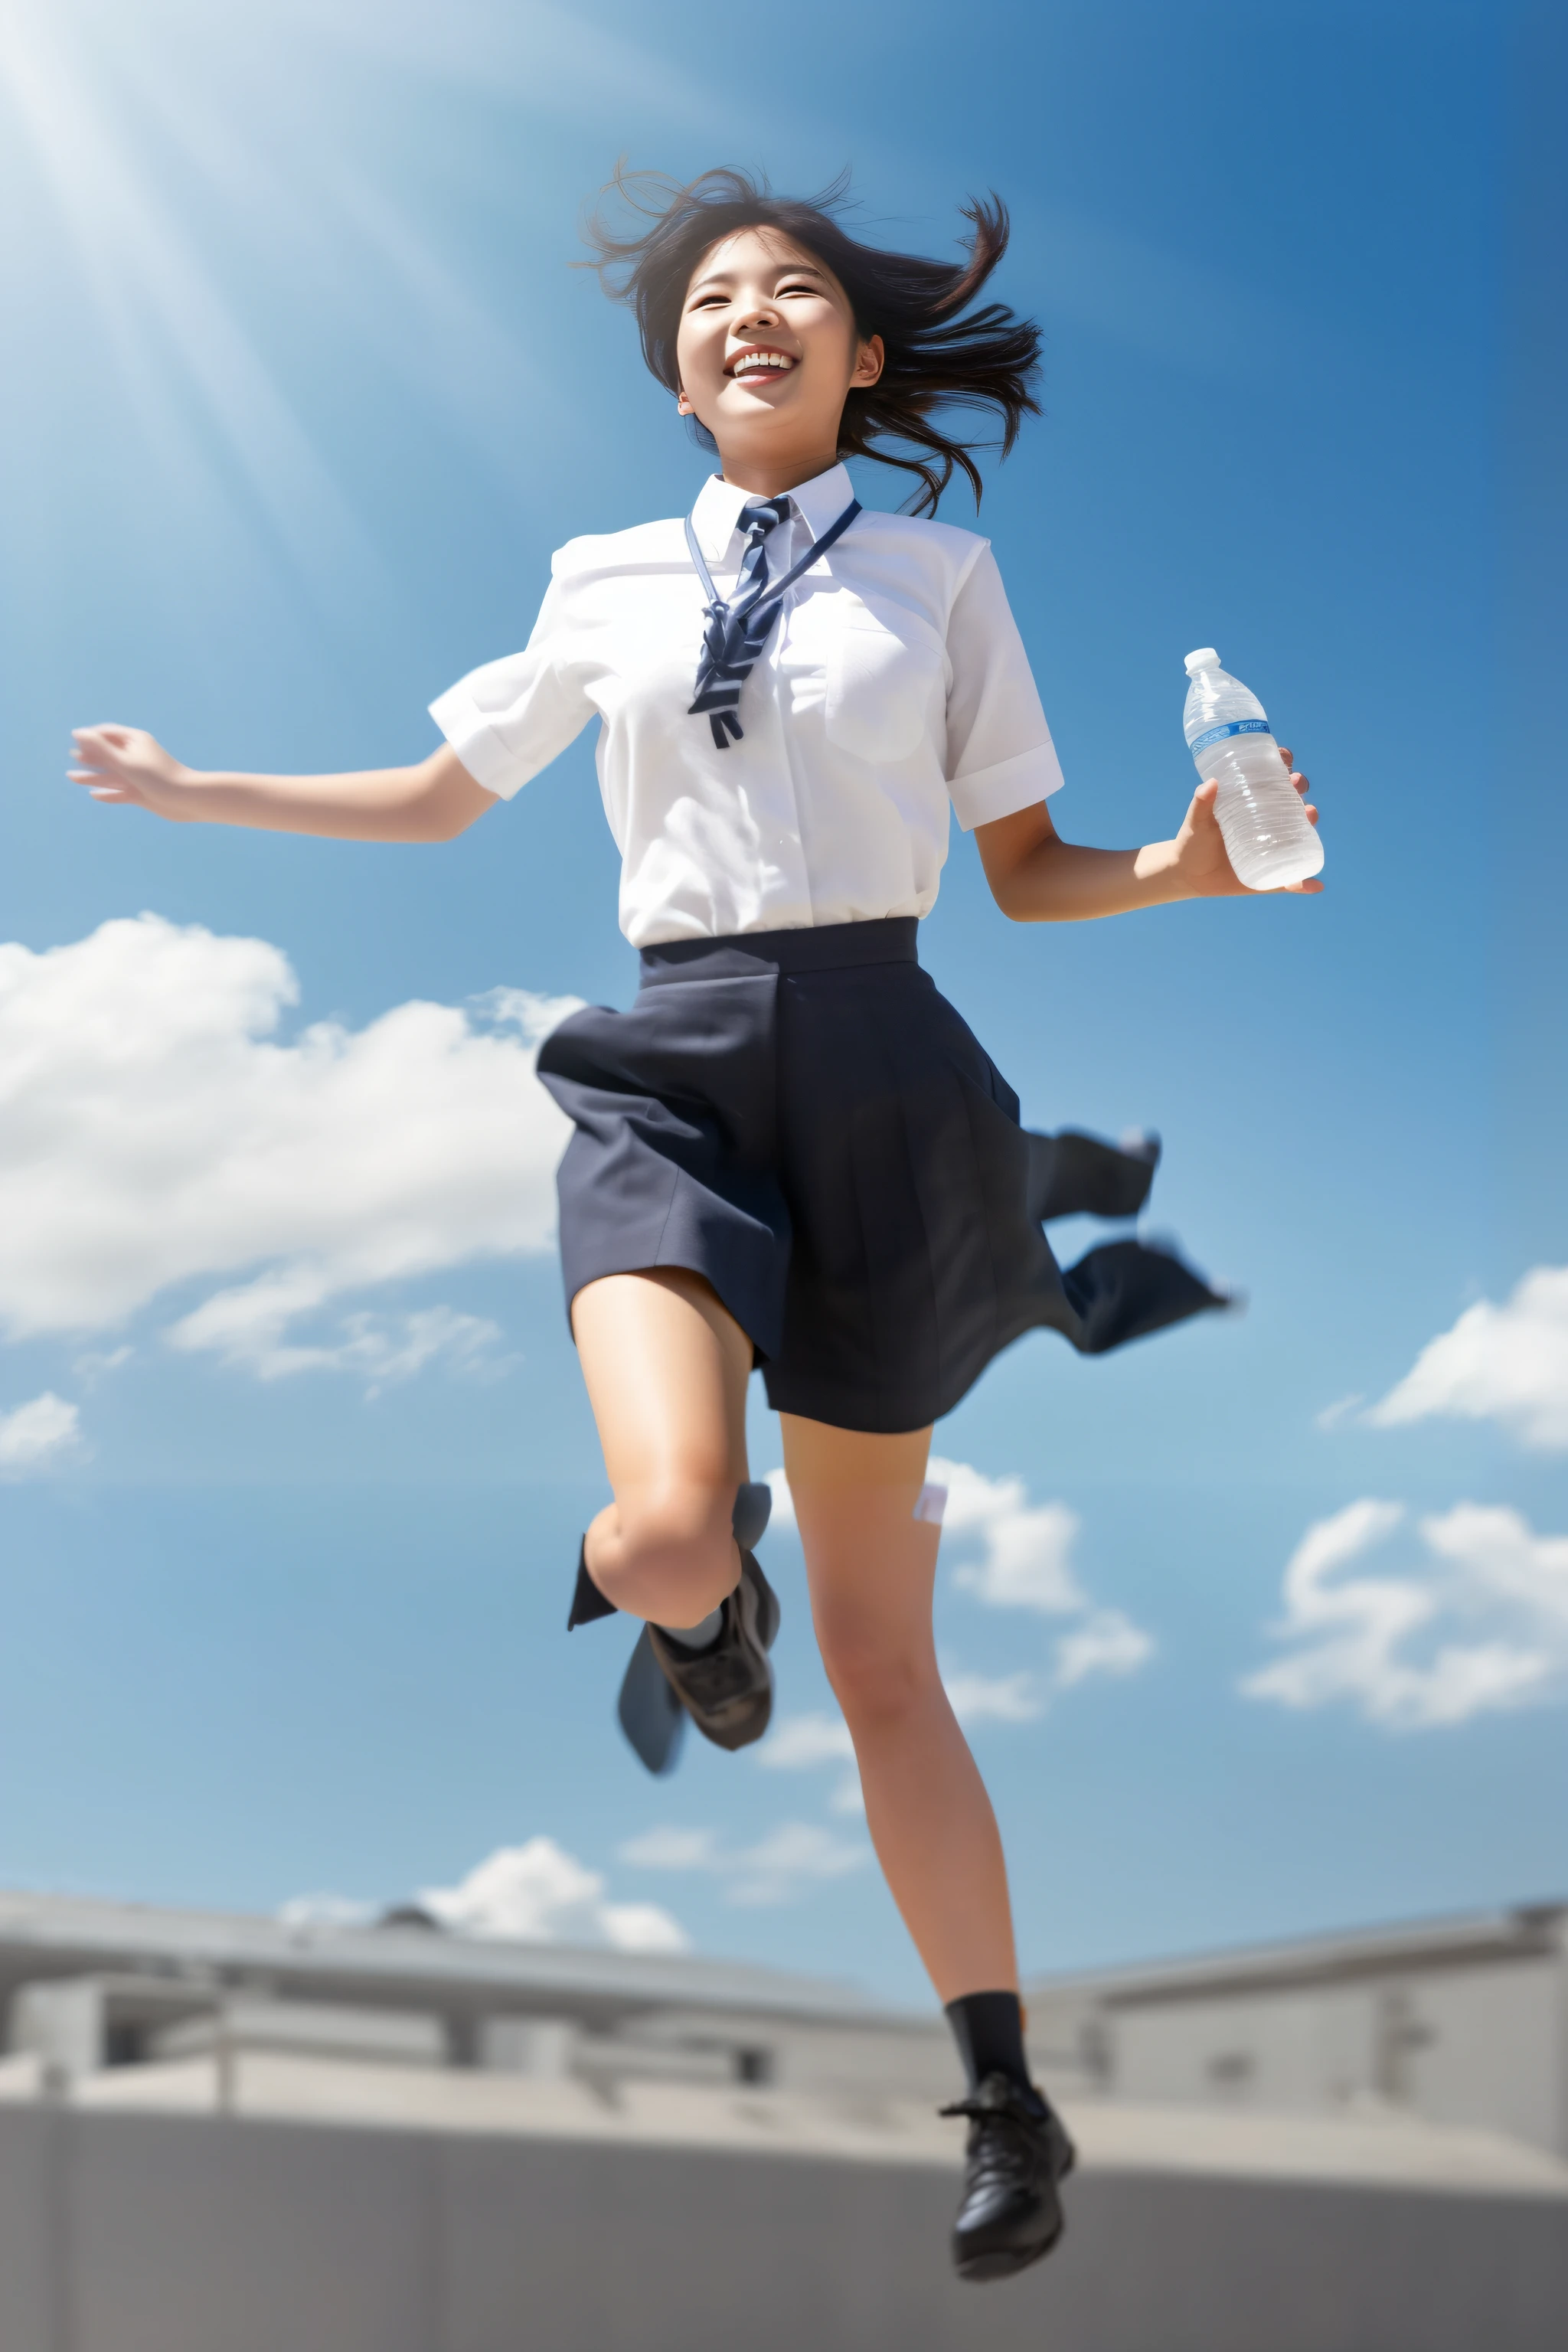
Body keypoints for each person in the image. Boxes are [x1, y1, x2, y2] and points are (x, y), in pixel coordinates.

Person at [69, 166, 1319, 2283]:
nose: (753, 315)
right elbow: (448, 786)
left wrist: (1190, 866)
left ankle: (1006, 2095)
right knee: (657, 1528)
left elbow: (1024, 868)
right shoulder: (601, 576)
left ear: (863, 356)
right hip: (670, 1062)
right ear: (674, 373)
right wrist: (209, 795)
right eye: (716, 299)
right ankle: (687, 1615)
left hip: (889, 1076)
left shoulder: (940, 574)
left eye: (798, 293)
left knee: (877, 1658)